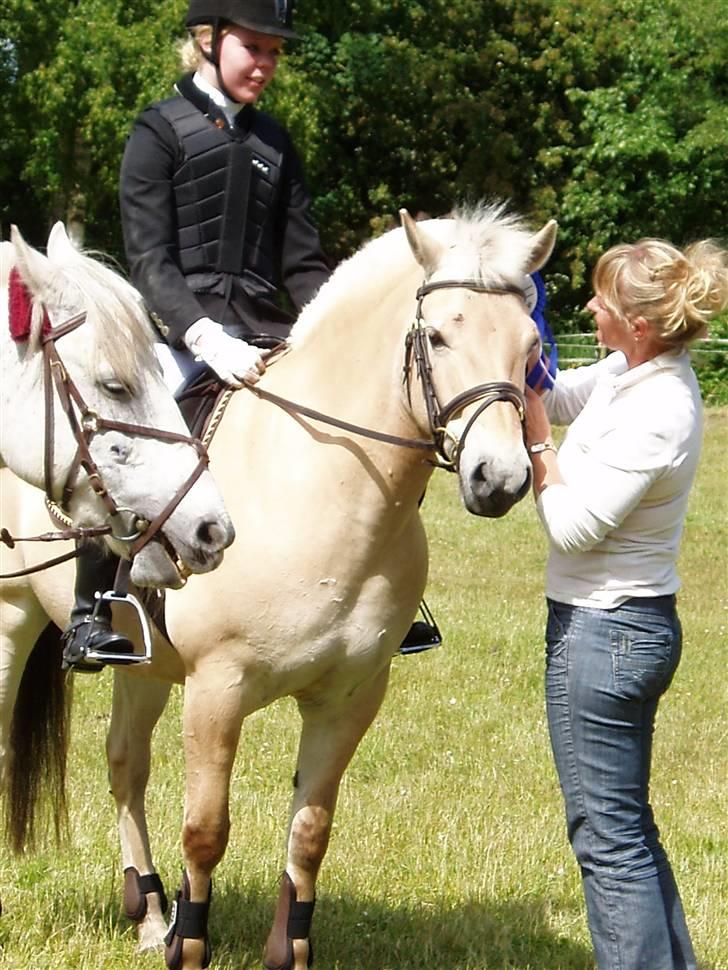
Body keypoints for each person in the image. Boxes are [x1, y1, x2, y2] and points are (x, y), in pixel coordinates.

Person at [61, 0, 439, 670]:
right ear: (207, 39)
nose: (265, 65)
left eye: (273, 53)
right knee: (129, 431)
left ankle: (378, 594)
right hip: (176, 334)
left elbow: (300, 261)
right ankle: (98, 608)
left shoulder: (275, 143)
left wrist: (327, 334)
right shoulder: (158, 130)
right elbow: (150, 260)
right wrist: (205, 337)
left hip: (266, 328)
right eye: (253, 48)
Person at [524, 237, 728, 970]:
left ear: (637, 324)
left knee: (606, 841)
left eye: (600, 302)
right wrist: (520, 353)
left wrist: (541, 447)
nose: (588, 308)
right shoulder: (629, 371)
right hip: (618, 630)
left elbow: (574, 527)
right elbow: (558, 391)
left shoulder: (662, 408)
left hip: (607, 634)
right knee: (626, 826)